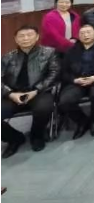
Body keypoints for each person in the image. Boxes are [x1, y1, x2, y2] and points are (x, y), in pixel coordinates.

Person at [1, 25, 59, 158]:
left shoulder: (49, 52)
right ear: (16, 39)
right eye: (21, 36)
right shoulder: (7, 57)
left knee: (44, 108)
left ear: (37, 37)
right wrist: (10, 94)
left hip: (39, 92)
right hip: (13, 94)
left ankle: (36, 135)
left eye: (29, 35)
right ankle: (15, 138)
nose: (25, 38)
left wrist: (36, 90)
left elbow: (54, 73)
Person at [59, 24, 94, 139]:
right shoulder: (71, 50)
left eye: (88, 32)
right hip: (78, 81)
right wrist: (74, 80)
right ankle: (82, 121)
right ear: (78, 36)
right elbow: (64, 71)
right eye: (82, 33)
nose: (85, 35)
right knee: (65, 101)